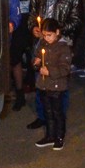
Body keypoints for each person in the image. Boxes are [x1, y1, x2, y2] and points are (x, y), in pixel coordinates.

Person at [26, 0, 82, 133]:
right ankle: (43, 116)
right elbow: (31, 16)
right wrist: (34, 28)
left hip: (61, 43)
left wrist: (54, 32)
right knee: (41, 78)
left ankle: (58, 117)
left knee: (59, 80)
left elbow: (76, 20)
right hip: (41, 43)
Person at [32, 18, 72, 150]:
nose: (46, 38)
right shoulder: (43, 44)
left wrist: (49, 71)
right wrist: (36, 62)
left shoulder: (63, 48)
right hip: (44, 85)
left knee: (57, 112)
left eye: (50, 35)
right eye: (44, 35)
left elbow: (65, 69)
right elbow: (37, 58)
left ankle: (59, 137)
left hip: (56, 86)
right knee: (47, 112)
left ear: (57, 32)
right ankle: (50, 135)